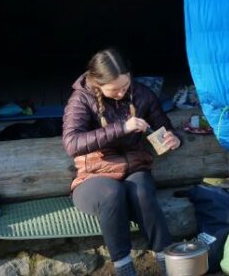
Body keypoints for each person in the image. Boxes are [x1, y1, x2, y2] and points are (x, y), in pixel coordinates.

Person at [62, 48, 181, 276]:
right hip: (94, 176)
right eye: (114, 89)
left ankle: (168, 260)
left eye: (125, 87)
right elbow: (72, 143)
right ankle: (124, 266)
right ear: (97, 83)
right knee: (111, 193)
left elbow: (164, 127)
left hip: (135, 167)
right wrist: (122, 128)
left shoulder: (142, 94)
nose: (121, 93)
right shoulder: (81, 98)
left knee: (143, 192)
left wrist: (174, 138)